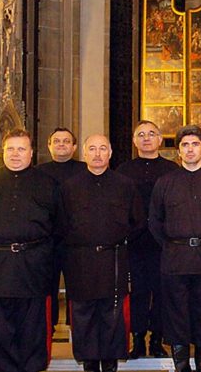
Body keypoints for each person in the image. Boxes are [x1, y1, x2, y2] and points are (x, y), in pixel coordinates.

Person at [0, 128, 60, 372]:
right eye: (10, 149)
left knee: (32, 330)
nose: (15, 154)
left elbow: (59, 224)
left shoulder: (47, 184)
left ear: (31, 152)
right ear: (3, 151)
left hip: (33, 267)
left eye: (21, 149)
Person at [61, 134, 145, 372]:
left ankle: (109, 364)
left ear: (110, 153)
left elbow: (138, 221)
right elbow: (60, 224)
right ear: (84, 153)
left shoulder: (125, 185)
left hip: (113, 258)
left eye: (102, 149)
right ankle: (89, 364)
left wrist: (118, 239)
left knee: (112, 314)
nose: (97, 154)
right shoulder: (70, 187)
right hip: (81, 260)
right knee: (84, 314)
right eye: (92, 149)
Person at [149, 125, 201, 372]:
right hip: (175, 258)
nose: (190, 149)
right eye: (185, 145)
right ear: (178, 151)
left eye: (195, 144)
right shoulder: (165, 183)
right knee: (176, 313)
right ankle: (181, 366)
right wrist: (172, 245)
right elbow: (155, 221)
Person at [116, 121, 178, 359]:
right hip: (135, 243)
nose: (146, 138)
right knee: (138, 293)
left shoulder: (171, 170)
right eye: (141, 134)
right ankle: (138, 340)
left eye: (151, 134)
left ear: (160, 139)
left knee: (162, 293)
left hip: (164, 244)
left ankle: (157, 341)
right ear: (134, 141)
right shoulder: (123, 171)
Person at [37, 127, 85, 330]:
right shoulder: (38, 173)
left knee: (78, 286)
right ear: (49, 146)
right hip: (47, 241)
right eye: (56, 141)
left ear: (74, 147)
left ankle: (77, 329)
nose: (61, 144)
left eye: (66, 141)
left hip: (77, 241)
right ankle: (48, 327)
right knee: (47, 286)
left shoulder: (85, 170)